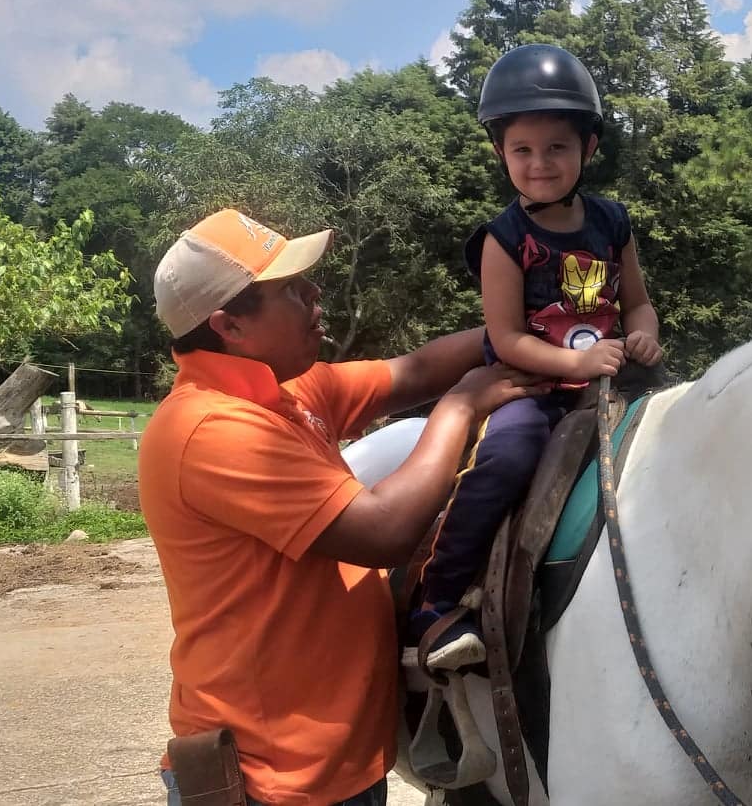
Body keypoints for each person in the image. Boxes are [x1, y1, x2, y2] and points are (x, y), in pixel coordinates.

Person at [138, 208, 548, 806]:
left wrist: (522, 331)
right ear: (229, 326)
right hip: (273, 776)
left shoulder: (285, 391)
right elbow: (383, 532)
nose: (315, 293)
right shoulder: (211, 430)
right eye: (291, 290)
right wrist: (458, 411)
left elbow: (411, 371)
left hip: (331, 757)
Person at [408, 44, 664, 670]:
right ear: (501, 153)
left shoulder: (613, 223)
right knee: (505, 457)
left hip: (608, 383)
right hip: (528, 388)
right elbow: (506, 336)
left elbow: (638, 304)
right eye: (522, 149)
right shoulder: (503, 240)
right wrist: (574, 365)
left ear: (588, 149)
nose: (539, 164)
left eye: (556, 147)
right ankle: (434, 603)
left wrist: (645, 336)